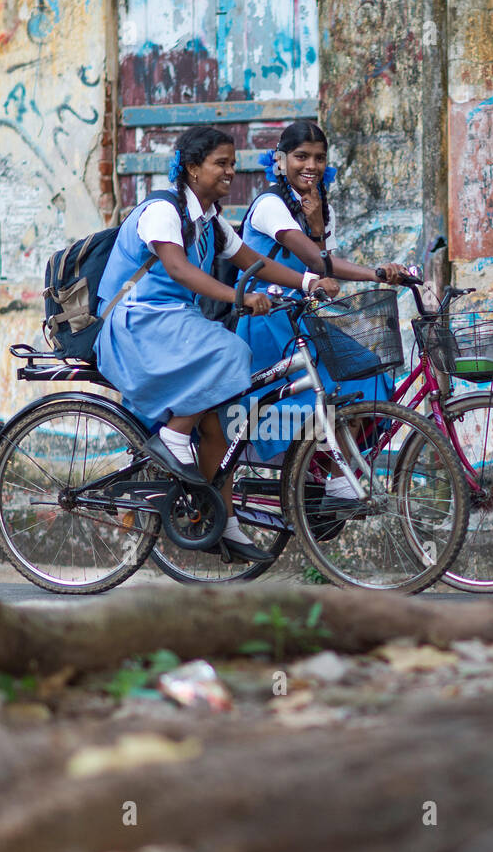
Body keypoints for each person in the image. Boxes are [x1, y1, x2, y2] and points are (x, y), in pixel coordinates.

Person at [94, 125, 328, 562]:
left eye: (232, 164)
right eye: (220, 163)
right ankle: (172, 436)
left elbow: (252, 262)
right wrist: (240, 296)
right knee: (231, 351)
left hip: (173, 324)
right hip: (136, 325)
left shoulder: (210, 221)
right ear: (191, 166)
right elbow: (180, 271)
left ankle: (223, 521)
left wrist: (309, 280)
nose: (230, 172)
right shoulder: (163, 212)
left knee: (222, 422)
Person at [234, 119, 410, 471]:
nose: (311, 166)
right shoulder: (270, 205)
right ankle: (313, 474)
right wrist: (375, 274)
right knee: (315, 398)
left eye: (319, 157)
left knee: (366, 375)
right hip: (268, 318)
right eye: (301, 156)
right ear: (280, 161)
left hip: (302, 317)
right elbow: (314, 259)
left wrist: (319, 228)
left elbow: (325, 268)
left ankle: (332, 475)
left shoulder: (319, 208)